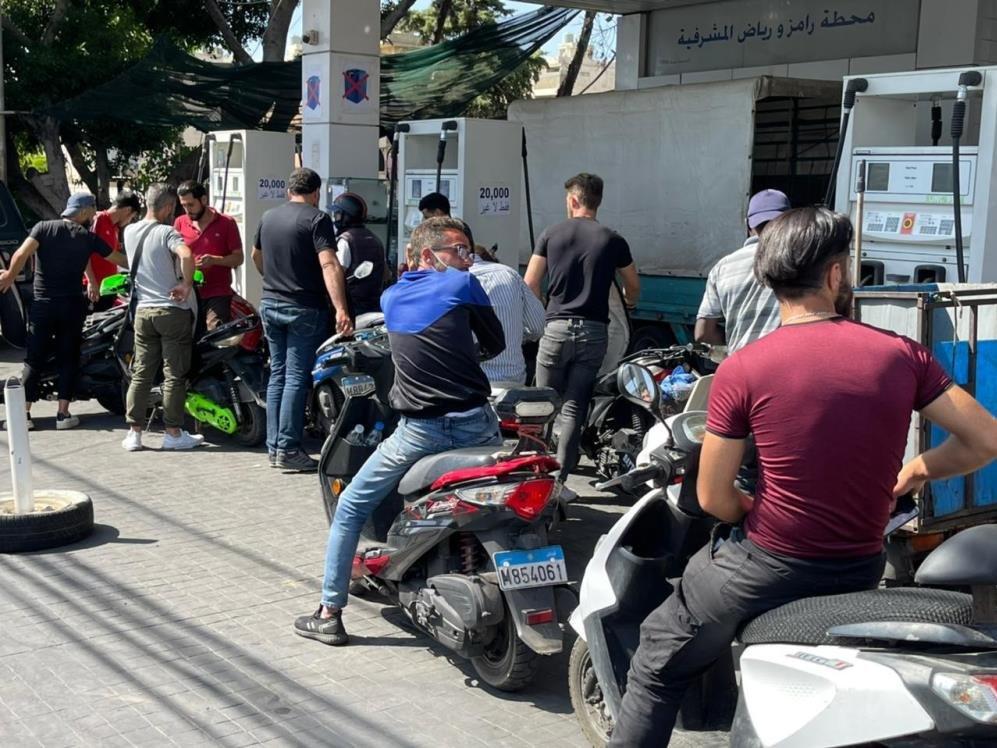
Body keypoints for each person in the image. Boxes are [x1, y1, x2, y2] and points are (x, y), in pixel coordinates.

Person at [610, 207, 997, 747]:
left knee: (656, 660)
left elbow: (713, 497)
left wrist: (750, 509)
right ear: (835, 275)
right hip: (861, 566)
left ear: (771, 280)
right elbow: (984, 440)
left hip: (766, 570)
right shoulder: (901, 355)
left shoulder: (744, 368)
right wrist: (915, 470)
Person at [293, 216, 505, 646]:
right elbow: (494, 343)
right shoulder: (464, 286)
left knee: (350, 506)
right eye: (458, 251)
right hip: (478, 424)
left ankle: (329, 612)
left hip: (420, 432)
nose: (467, 260)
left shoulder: (391, 297)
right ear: (428, 255)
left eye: (468, 251)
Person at [524, 173, 640, 478]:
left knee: (543, 402)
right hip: (593, 331)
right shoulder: (612, 239)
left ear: (573, 199)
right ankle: (561, 477)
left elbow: (531, 281)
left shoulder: (551, 234)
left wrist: (545, 310)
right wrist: (628, 303)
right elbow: (633, 285)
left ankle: (535, 474)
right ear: (597, 201)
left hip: (556, 327)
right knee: (575, 406)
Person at [251, 167, 353, 472]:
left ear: (289, 190)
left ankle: (274, 447)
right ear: (316, 192)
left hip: (270, 303)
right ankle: (289, 448)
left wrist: (272, 279)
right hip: (303, 307)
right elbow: (329, 264)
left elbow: (256, 256)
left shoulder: (268, 217)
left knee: (278, 375)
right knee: (296, 378)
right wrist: (341, 308)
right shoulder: (317, 219)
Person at [0, 193, 127, 429]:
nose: (93, 215)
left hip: (43, 305)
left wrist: (8, 276)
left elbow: (21, 253)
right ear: (84, 211)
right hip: (71, 307)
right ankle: (62, 415)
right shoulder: (87, 237)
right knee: (68, 358)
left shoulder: (43, 228)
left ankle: (22, 416)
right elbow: (118, 258)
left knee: (34, 360)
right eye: (92, 211)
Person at [121, 183, 204, 452]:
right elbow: (187, 254)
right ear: (168, 207)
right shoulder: (168, 232)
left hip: (143, 312)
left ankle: (134, 434)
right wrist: (186, 285)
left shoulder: (129, 231)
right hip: (170, 311)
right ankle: (173, 433)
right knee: (173, 375)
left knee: (141, 373)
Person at [694, 189, 791, 353]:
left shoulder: (722, 267)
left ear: (748, 225)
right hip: (784, 362)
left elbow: (702, 333)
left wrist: (736, 341)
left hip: (740, 363)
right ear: (790, 222)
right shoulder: (801, 260)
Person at [468, 244, 545, 384]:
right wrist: (514, 335)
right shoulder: (510, 274)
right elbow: (537, 328)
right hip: (511, 379)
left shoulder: (450, 279)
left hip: (468, 380)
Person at [174, 181, 244, 330]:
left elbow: (239, 258)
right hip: (189, 291)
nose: (187, 210)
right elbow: (173, 256)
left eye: (191, 205)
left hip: (218, 292)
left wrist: (214, 260)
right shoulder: (180, 222)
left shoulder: (227, 223)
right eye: (183, 206)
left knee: (215, 333)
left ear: (204, 200)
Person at [330, 192, 386, 316]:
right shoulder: (376, 239)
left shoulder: (346, 241)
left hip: (353, 308)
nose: (335, 218)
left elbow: (335, 276)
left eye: (337, 214)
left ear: (346, 216)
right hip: (375, 306)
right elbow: (386, 274)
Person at [85, 191, 142, 313]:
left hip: (108, 287)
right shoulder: (98, 220)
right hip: (94, 288)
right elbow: (84, 252)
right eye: (132, 217)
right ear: (128, 210)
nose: (130, 221)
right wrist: (91, 281)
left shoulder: (115, 227)